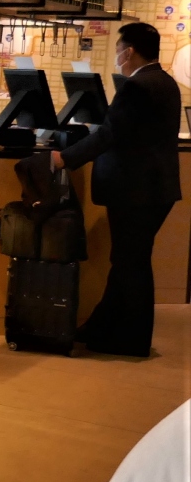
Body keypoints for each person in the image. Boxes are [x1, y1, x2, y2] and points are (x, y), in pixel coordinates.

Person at [52, 22, 182, 357]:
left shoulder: (137, 86)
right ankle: (102, 328)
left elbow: (110, 134)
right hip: (154, 188)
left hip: (135, 190)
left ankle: (131, 340)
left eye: (118, 49)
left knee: (131, 263)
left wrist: (66, 158)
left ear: (130, 51)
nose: (117, 56)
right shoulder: (164, 81)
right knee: (128, 260)